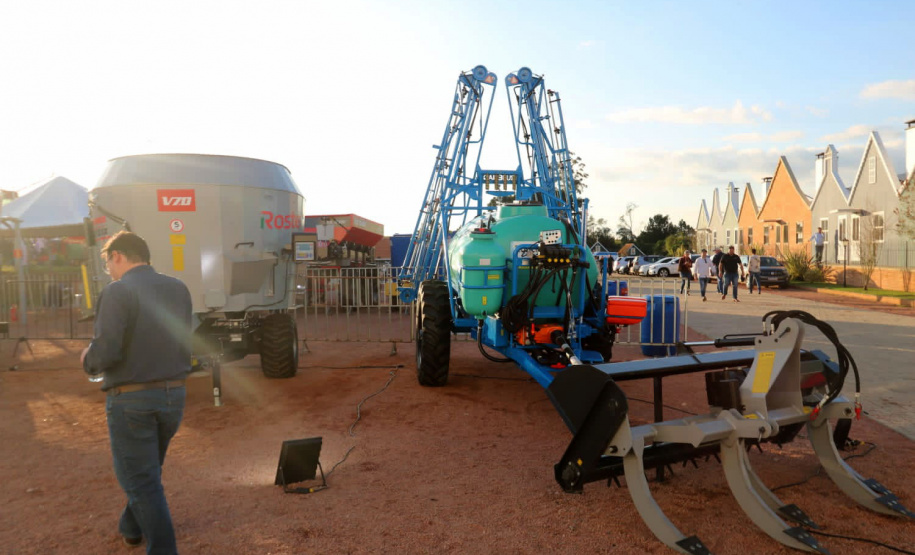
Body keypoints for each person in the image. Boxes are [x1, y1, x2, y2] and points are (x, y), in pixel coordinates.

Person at [81, 231, 192, 553]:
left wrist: (88, 360)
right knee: (147, 469)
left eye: (108, 263)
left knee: (140, 479)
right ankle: (131, 527)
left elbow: (107, 350)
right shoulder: (178, 288)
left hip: (131, 399)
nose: (109, 271)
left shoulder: (119, 291)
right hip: (174, 395)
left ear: (117, 255)